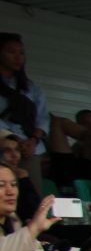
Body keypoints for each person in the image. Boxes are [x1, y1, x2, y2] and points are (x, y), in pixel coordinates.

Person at [0, 34, 49, 176]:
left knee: (31, 192)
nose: (18, 57)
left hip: (30, 148)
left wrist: (33, 140)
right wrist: (14, 139)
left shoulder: (30, 87)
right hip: (3, 145)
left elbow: (43, 116)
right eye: (11, 52)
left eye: (21, 53)